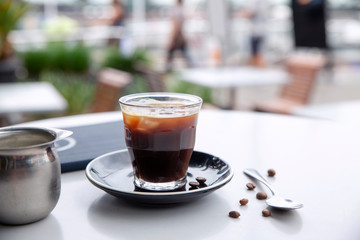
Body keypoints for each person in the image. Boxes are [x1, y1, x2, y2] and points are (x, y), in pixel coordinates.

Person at [242, 0, 269, 67]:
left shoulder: (257, 2)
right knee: (257, 54)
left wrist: (243, 13)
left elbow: (249, 13)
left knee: (257, 55)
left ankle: (258, 69)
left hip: (257, 32)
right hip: (258, 31)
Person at [166, 0, 189, 71]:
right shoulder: (181, 9)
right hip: (179, 35)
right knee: (185, 55)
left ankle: (168, 70)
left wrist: (172, 38)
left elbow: (176, 25)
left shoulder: (177, 9)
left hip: (177, 35)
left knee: (170, 55)